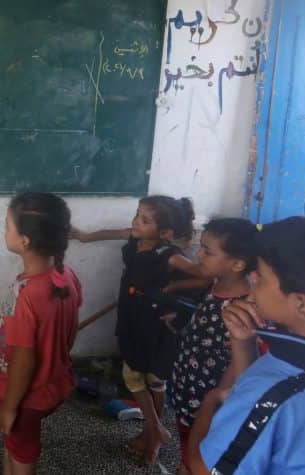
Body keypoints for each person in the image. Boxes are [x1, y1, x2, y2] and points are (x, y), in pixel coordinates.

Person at [188, 217, 305, 475]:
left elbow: (204, 469)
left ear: (302, 305)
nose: (251, 277)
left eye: (261, 277)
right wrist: (244, 344)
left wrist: (208, 406)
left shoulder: (274, 394)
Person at [72, 195, 205, 466]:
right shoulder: (135, 240)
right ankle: (155, 431)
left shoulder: (170, 256)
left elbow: (204, 276)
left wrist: (173, 293)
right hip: (133, 320)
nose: (135, 222)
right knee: (136, 375)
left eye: (145, 220)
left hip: (156, 326)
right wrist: (84, 237)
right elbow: (112, 232)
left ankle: (152, 433)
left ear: (165, 232)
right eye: (137, 215)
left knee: (151, 379)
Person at [0, 192, 83, 474]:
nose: (4, 231)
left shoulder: (27, 294)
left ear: (25, 241)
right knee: (13, 444)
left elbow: (24, 360)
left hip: (25, 395)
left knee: (21, 452)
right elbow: (71, 332)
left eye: (8, 225)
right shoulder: (65, 275)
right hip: (54, 383)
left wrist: (10, 407)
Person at [169, 218, 259, 475]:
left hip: (210, 396)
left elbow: (238, 358)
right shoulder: (217, 284)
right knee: (186, 442)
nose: (199, 255)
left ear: (238, 264)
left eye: (207, 251)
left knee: (201, 450)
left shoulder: (243, 308)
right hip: (189, 385)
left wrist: (215, 399)